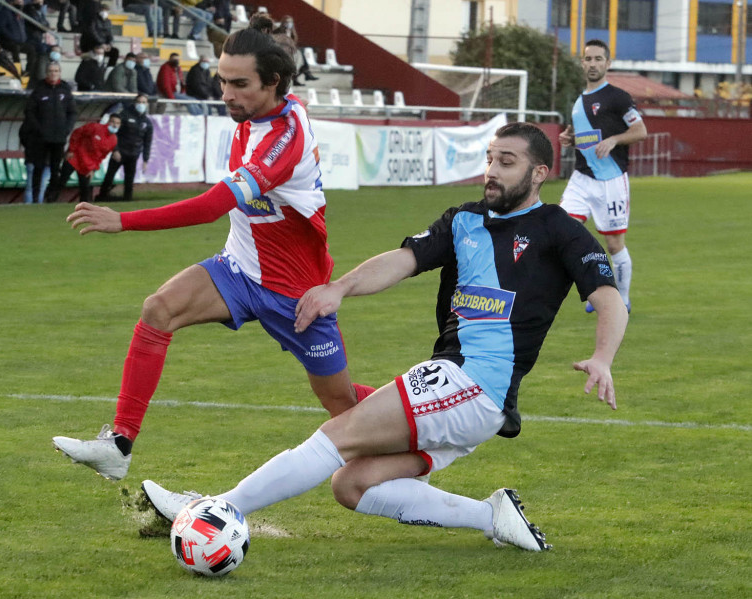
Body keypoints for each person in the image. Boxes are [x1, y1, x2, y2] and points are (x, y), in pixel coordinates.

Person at [142, 122, 630, 553]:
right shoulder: (462, 219)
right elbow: (401, 261)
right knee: (353, 484)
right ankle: (493, 516)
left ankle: (212, 510)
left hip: (476, 383)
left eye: (507, 162)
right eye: (489, 159)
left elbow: (608, 298)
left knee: (340, 434)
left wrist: (602, 357)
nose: (492, 171)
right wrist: (340, 288)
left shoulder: (559, 230)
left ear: (539, 173)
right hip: (459, 387)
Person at [52, 27, 376, 481]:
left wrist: (122, 220)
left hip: (295, 294)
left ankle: (423, 414)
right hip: (239, 270)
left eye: (239, 84)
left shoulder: (282, 140)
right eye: (223, 81)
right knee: (158, 309)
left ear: (274, 83)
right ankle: (119, 445)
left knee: (340, 403)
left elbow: (208, 209)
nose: (225, 93)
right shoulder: (255, 116)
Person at [559, 39, 646, 314]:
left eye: (598, 59)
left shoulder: (618, 97)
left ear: (608, 63)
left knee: (613, 243)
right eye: (588, 59)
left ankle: (622, 299)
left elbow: (641, 131)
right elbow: (582, 137)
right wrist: (568, 138)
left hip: (611, 180)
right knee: (563, 232)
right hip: (581, 179)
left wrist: (615, 140)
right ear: (582, 63)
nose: (593, 63)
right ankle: (593, 292)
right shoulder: (578, 102)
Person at [23, 62, 76, 203]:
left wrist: (66, 129)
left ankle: (51, 197)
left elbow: (72, 112)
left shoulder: (65, 90)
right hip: (41, 138)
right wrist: (38, 129)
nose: (53, 73)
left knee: (55, 169)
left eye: (56, 71)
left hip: (59, 137)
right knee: (38, 167)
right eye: (51, 71)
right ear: (47, 73)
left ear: (60, 73)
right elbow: (29, 111)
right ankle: (35, 198)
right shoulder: (39, 89)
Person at [47, 114, 120, 204]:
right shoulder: (95, 127)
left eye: (117, 123)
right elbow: (77, 133)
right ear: (108, 122)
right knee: (61, 181)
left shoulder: (114, 140)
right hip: (75, 158)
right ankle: (49, 201)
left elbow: (101, 157)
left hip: (87, 165)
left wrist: (93, 169)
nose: (115, 125)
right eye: (113, 122)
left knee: (85, 188)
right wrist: (71, 150)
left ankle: (83, 210)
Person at [97, 94, 152, 202]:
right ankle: (101, 197)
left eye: (143, 102)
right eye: (139, 102)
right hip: (120, 152)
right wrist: (115, 150)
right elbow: (115, 133)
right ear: (135, 103)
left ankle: (127, 200)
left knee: (129, 179)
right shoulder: (125, 115)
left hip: (133, 154)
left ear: (147, 104)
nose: (141, 105)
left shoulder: (147, 122)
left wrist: (145, 159)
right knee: (109, 176)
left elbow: (147, 142)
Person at [0, 0, 35, 77]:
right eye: (18, 2)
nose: (20, 4)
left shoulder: (19, 13)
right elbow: (1, 27)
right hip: (6, 41)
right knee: (15, 48)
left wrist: (23, 37)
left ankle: (28, 71)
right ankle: (18, 70)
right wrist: (12, 36)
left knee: (31, 49)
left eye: (21, 2)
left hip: (19, 41)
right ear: (12, 2)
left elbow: (22, 27)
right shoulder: (5, 12)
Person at [79, 2, 117, 68]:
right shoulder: (93, 19)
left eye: (106, 10)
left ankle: (109, 69)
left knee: (115, 52)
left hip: (104, 45)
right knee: (98, 50)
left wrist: (109, 44)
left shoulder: (108, 22)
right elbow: (92, 32)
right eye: (103, 10)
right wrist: (101, 43)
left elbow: (110, 34)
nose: (105, 12)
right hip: (94, 43)